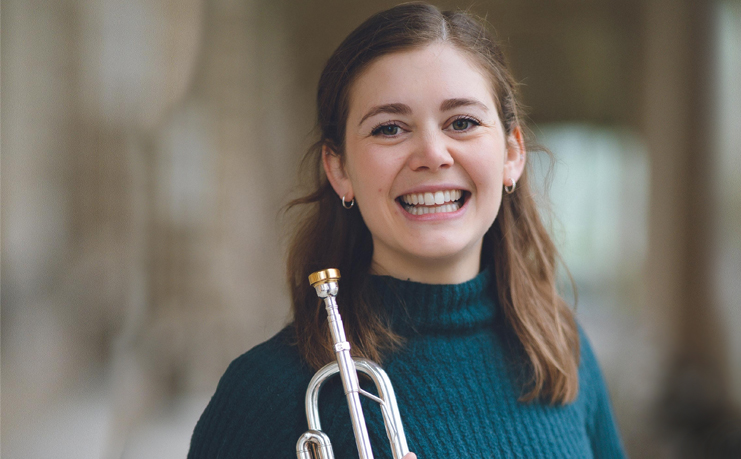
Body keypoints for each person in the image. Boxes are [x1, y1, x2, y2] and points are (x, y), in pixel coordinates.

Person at [188, 3, 626, 458]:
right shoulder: (264, 393)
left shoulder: (562, 351)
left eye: (462, 123)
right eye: (390, 128)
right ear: (339, 169)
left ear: (512, 154)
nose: (432, 154)